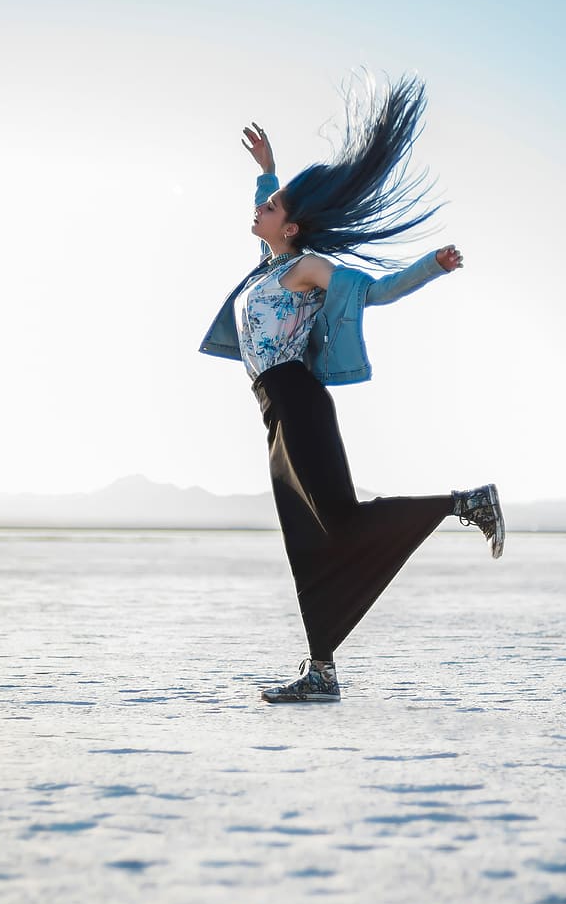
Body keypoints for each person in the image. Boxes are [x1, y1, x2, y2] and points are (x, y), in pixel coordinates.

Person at [200, 75, 504, 703]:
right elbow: (275, 219)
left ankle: (465, 502)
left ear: (290, 228)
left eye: (272, 206)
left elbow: (374, 290)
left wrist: (430, 267)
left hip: (299, 401)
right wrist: (269, 171)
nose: (260, 209)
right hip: (275, 410)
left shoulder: (307, 268)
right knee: (306, 536)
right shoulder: (272, 267)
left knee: (339, 520)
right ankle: (322, 672)